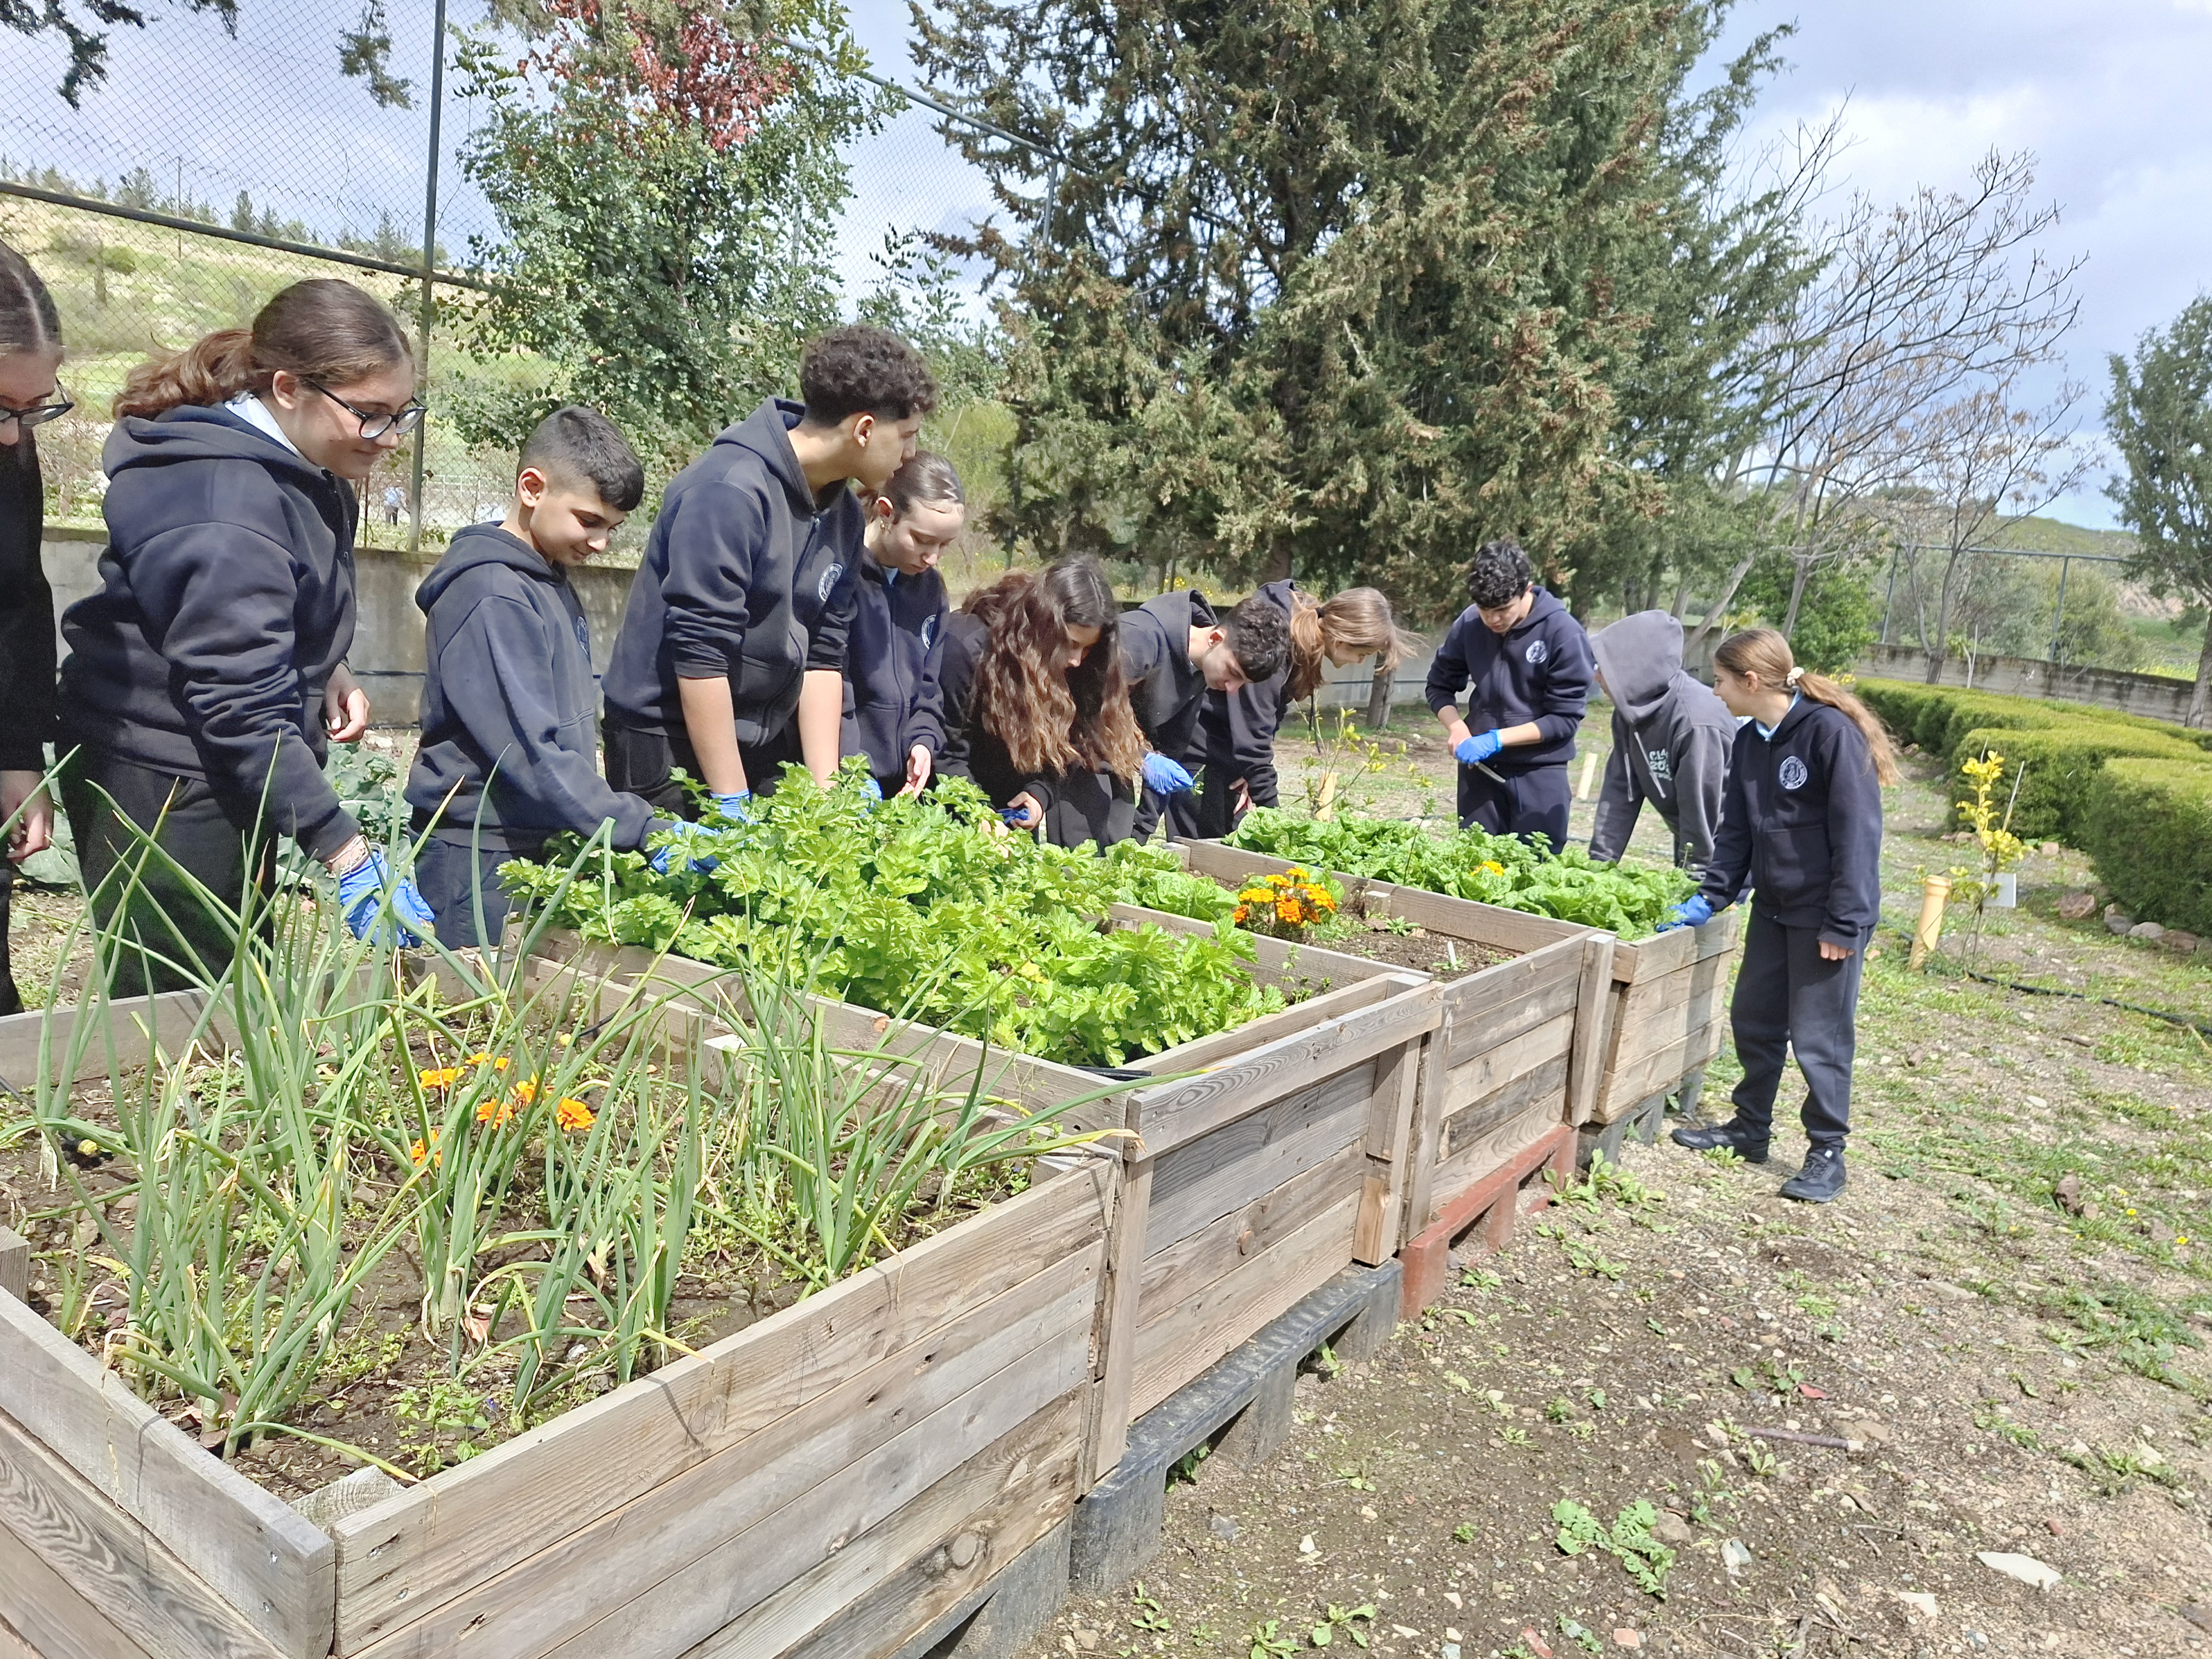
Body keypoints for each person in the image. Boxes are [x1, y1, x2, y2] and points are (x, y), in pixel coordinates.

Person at [57, 278, 434, 991]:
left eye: (401, 414)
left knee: (238, 989)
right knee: (182, 1016)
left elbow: (261, 605)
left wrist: (324, 662)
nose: (389, 438)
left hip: (223, 763)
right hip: (164, 780)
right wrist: (347, 852)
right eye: (371, 415)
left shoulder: (298, 462)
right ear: (287, 387)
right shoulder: (223, 506)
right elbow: (237, 704)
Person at [600, 325, 936, 823]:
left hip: (757, 738)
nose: (909, 455)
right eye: (906, 437)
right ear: (864, 430)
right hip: (667, 743)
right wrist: (730, 798)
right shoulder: (729, 490)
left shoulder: (843, 514)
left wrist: (827, 795)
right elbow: (700, 655)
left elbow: (825, 656)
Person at [404, 406, 700, 948]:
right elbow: (531, 753)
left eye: (612, 528)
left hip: (535, 838)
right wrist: (645, 829)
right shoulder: (492, 593)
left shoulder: (548, 577)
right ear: (532, 488)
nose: (601, 543)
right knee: (472, 1023)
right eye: (589, 521)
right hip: (481, 852)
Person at [1663, 628, 1896, 1204]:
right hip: (1773, 907)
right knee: (1755, 1019)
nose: (1712, 690)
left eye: (1718, 680)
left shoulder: (1829, 736)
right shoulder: (1751, 742)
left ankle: (1826, 1154)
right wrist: (1711, 896)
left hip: (1825, 919)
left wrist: (1845, 923)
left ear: (1749, 681)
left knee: (1820, 1037)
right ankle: (1750, 1130)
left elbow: (1857, 837)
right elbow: (1736, 831)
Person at [1171, 585, 1412, 838]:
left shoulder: (1303, 638)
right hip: (1202, 744)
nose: (1361, 662)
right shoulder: (1274, 641)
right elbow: (1254, 741)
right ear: (1341, 641)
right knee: (1200, 852)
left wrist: (1249, 773)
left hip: (1231, 752)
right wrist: (1279, 824)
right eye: (1362, 654)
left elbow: (1271, 714)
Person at [937, 557, 1146, 849]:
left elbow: (1071, 742)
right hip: (953, 812)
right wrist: (977, 814)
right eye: (1071, 644)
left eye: (1087, 648)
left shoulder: (1079, 667)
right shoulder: (967, 650)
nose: (1076, 660)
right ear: (1042, 627)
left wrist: (1039, 794)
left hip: (1013, 818)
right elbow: (945, 753)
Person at [1424, 537, 1593, 854]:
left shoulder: (1563, 633)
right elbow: (1438, 686)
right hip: (1480, 773)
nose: (1493, 620)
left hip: (1540, 772)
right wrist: (1457, 728)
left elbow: (1564, 719)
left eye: (1503, 609)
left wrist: (1497, 739)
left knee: (1534, 870)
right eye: (1485, 610)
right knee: (1476, 864)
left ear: (1526, 590)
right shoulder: (1470, 624)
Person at [0, 242, 65, 1016]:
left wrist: (19, 754)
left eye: (35, 407)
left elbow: (19, 596)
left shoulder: (12, 455)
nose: (17, 437)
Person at [1118, 587, 1289, 837]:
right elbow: (1088, 710)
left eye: (1242, 684)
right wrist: (1141, 756)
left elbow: (1171, 747)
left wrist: (1140, 834)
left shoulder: (1200, 672)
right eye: (1233, 673)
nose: (1232, 690)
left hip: (1107, 758)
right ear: (1216, 639)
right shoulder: (1140, 639)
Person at [841, 450, 961, 799]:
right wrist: (849, 766)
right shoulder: (843, 576)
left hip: (903, 786)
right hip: (845, 776)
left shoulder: (931, 592)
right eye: (922, 540)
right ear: (886, 513)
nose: (933, 557)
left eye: (944, 544)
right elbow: (830, 680)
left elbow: (929, 688)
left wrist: (923, 741)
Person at [1586, 609, 1736, 879]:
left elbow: (1702, 811)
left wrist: (1695, 878)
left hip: (1727, 853)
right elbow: (1622, 790)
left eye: (1604, 668)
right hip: (1690, 837)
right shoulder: (1629, 714)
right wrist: (1599, 865)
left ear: (1633, 668)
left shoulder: (1696, 722)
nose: (1597, 677)